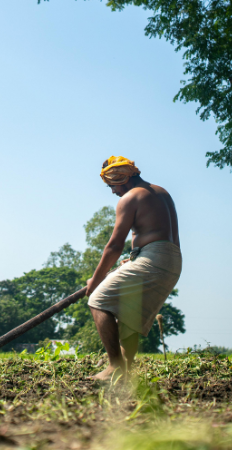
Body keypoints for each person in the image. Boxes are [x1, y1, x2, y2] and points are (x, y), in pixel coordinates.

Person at [85, 156, 182, 380]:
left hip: (154, 259)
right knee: (129, 314)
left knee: (98, 301)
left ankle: (115, 367)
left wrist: (95, 279)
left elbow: (114, 246)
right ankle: (125, 372)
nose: (112, 191)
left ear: (121, 177)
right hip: (171, 260)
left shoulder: (130, 198)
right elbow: (166, 236)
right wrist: (138, 257)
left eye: (112, 185)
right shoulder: (162, 193)